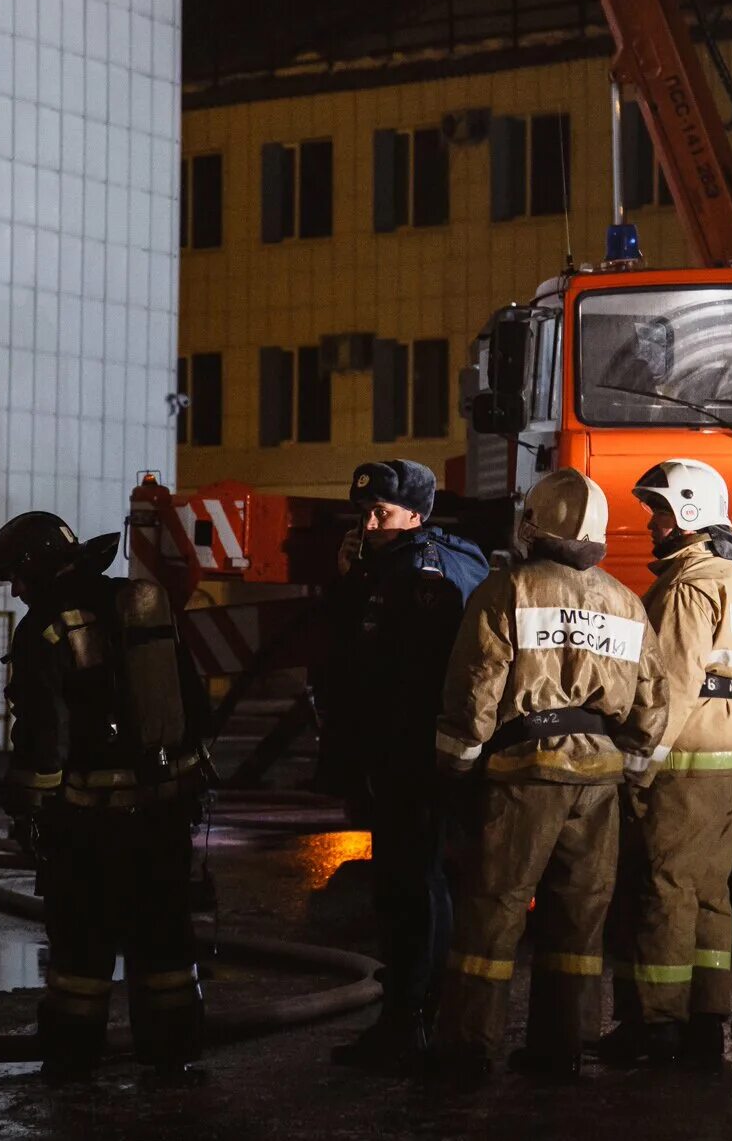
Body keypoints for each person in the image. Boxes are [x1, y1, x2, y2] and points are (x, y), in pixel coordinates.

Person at [431, 468, 667, 1082]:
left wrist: (455, 764)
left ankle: (467, 1048)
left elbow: (477, 684)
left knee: (495, 909)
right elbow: (651, 702)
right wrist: (634, 774)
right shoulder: (625, 600)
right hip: (600, 779)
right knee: (580, 918)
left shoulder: (508, 589)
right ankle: (564, 1046)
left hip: (525, 773)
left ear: (534, 525)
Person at [0, 511, 212, 1081]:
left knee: (81, 954)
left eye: (17, 576)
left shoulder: (45, 628)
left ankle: (73, 1057)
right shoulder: (140, 604)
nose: (15, 589)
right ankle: (172, 1054)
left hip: (90, 828)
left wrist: (27, 808)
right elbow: (195, 703)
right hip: (165, 813)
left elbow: (44, 740)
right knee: (163, 943)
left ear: (37, 569)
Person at [316, 459, 488, 1072]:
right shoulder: (434, 560)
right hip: (418, 755)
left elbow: (391, 674)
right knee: (421, 880)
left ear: (415, 515)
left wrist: (349, 587)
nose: (368, 523)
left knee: (410, 886)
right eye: (363, 512)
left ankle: (409, 1021)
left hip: (409, 756)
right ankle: (419, 1013)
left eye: (381, 513)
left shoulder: (414, 572)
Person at [602, 459, 732, 1070]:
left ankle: (658, 1023)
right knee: (708, 893)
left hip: (689, 760)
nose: (652, 524)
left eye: (661, 511)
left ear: (690, 514)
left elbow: (670, 687)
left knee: (664, 887)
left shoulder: (687, 588)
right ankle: (706, 1018)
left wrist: (639, 763)